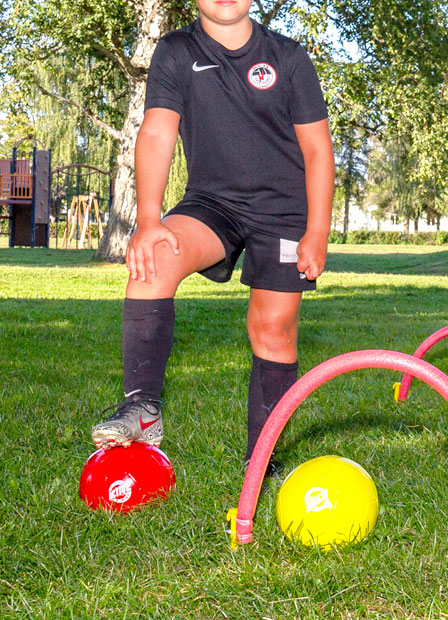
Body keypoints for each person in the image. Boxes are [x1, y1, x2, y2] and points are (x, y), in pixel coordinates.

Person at [91, 0, 334, 476]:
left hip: (282, 212)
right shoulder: (176, 51)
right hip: (212, 204)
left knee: (273, 332)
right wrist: (147, 220)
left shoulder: (288, 57)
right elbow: (158, 131)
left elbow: (318, 150)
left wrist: (317, 232)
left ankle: (264, 459)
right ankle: (142, 409)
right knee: (153, 260)